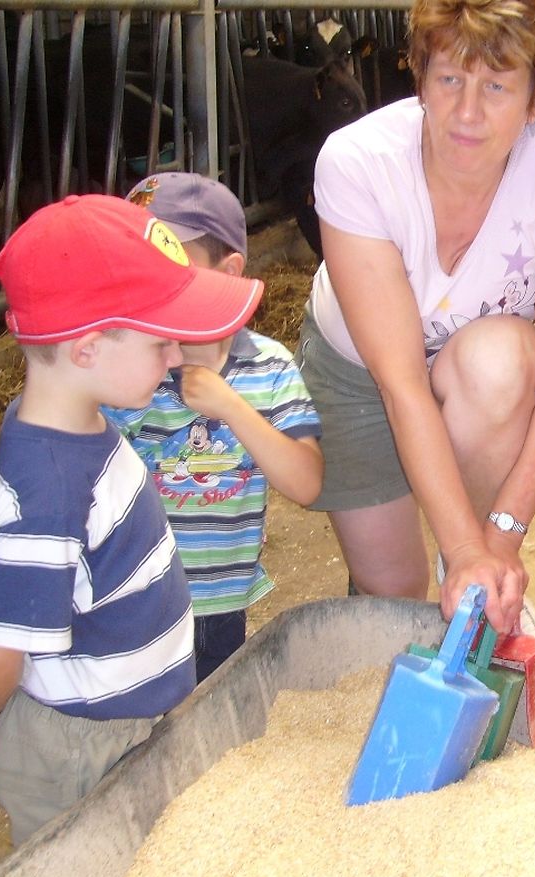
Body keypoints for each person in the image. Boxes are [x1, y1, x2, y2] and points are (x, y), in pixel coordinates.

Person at [0, 193, 264, 844]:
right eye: (160, 341)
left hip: (118, 721)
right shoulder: (51, 489)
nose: (176, 357)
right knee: (87, 874)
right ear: (86, 349)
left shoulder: (69, 425)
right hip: (83, 748)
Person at [294, 0, 535, 633]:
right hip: (363, 371)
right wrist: (467, 547)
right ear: (420, 77)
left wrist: (497, 542)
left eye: (496, 86)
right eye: (449, 78)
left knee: (500, 361)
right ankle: (451, 571)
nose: (467, 112)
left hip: (477, 368)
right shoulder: (357, 162)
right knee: (395, 594)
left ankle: (474, 584)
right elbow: (400, 382)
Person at [108, 172, 324, 682]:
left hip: (219, 607)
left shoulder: (268, 368)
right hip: (134, 602)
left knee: (210, 722)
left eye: (167, 263)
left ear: (228, 272)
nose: (147, 283)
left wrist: (232, 408)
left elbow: (306, 483)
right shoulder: (123, 367)